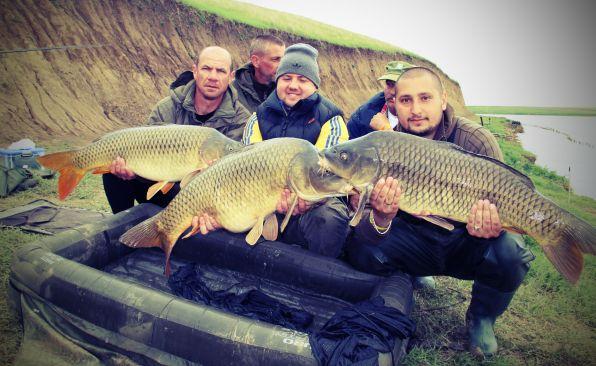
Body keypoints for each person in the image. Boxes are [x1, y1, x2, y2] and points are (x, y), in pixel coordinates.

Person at [346, 67, 534, 357]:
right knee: (360, 248)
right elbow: (365, 230)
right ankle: (411, 274)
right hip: (415, 242)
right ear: (395, 103)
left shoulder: (476, 141)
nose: (416, 109)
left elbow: (507, 199)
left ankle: (482, 318)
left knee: (511, 251)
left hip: (466, 242)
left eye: (425, 98)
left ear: (443, 100)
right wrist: (382, 217)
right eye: (406, 100)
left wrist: (490, 227)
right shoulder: (386, 147)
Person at [198, 43, 351, 258]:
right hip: (265, 198)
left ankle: (319, 274)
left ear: (315, 85)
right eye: (287, 78)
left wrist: (303, 199)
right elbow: (244, 170)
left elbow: (327, 175)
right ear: (277, 81)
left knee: (329, 217)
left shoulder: (331, 119)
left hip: (314, 202)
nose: (293, 86)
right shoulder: (257, 118)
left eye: (302, 80)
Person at [102, 46, 250, 213]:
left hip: (210, 197)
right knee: (112, 170)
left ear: (231, 77)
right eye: (206, 69)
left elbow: (237, 174)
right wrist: (132, 171)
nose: (213, 77)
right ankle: (122, 227)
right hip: (161, 185)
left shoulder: (242, 119)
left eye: (221, 71)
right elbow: (143, 151)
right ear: (195, 71)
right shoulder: (167, 107)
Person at [347, 60, 415, 139]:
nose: (393, 92)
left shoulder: (424, 121)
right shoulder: (361, 118)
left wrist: (386, 131)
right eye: (389, 84)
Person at [232, 35, 285, 113]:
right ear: (256, 61)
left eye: (283, 60)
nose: (282, 65)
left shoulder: (286, 91)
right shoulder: (232, 93)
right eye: (275, 59)